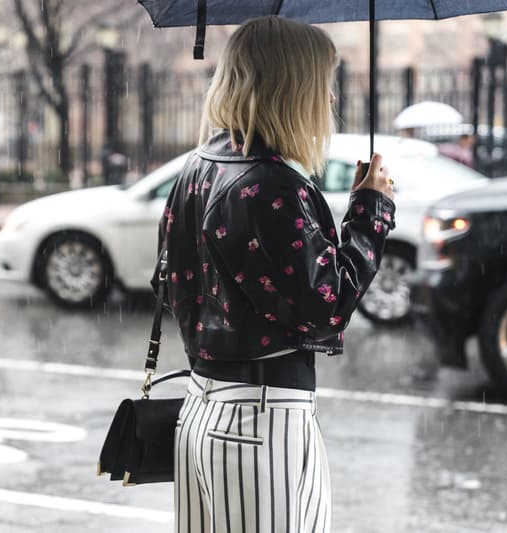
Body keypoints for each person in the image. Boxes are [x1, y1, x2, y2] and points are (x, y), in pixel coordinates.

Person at [152, 16, 396, 533]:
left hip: (204, 410)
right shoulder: (269, 183)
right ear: (292, 88)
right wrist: (372, 212)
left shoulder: (201, 165)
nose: (330, 100)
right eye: (322, 85)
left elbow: (173, 285)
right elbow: (324, 306)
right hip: (260, 421)